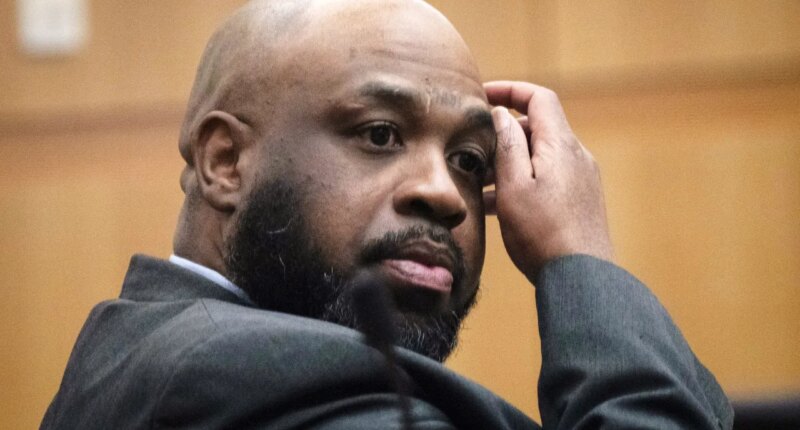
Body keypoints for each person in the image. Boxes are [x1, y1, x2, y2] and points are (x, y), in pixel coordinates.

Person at [41, 0, 733, 428]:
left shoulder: (136, 348)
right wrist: (580, 259)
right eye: (379, 134)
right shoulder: (261, 380)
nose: (445, 194)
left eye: (470, 161)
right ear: (226, 162)